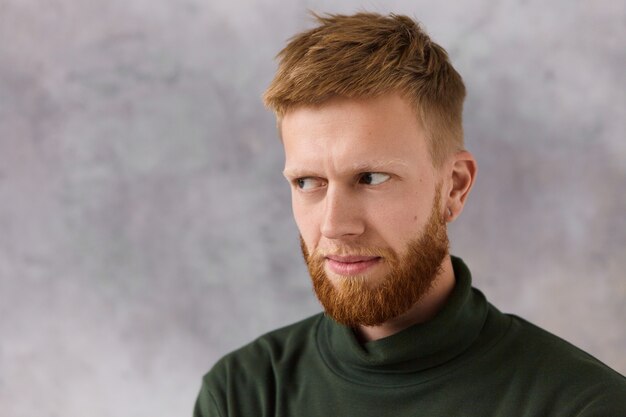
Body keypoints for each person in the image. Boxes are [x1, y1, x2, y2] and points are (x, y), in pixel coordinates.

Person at [194, 12, 626, 416]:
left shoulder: (582, 405)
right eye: (308, 182)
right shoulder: (243, 394)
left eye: (371, 178)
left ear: (454, 186)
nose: (334, 225)